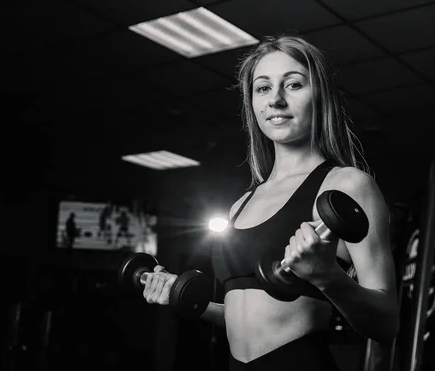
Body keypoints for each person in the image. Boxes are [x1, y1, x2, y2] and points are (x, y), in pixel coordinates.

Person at [142, 35, 399, 370]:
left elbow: (387, 325)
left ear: (319, 95)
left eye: (293, 85)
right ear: (252, 103)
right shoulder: (241, 205)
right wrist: (182, 295)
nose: (275, 100)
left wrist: (327, 276)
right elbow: (246, 314)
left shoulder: (347, 185)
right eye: (263, 88)